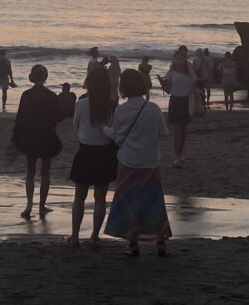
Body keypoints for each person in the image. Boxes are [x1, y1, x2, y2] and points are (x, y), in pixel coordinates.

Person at [104, 68, 171, 257]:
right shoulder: (153, 108)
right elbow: (164, 132)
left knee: (130, 203)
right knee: (154, 203)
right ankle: (161, 242)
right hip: (149, 161)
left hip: (128, 161)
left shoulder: (121, 110)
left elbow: (116, 136)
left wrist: (102, 129)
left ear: (123, 87)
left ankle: (133, 243)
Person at [67, 65, 116, 248]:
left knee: (79, 196)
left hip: (86, 151)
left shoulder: (81, 104)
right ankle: (95, 235)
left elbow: (75, 126)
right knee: (100, 198)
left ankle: (75, 236)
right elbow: (112, 129)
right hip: (104, 152)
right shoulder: (110, 105)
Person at [10, 64, 62, 220]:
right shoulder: (52, 95)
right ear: (45, 77)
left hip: (30, 137)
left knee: (30, 172)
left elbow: (20, 119)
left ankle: (29, 204)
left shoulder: (26, 95)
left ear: (32, 77)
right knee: (45, 172)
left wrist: (15, 139)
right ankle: (41, 206)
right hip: (46, 136)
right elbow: (58, 117)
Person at [158, 45, 196, 168]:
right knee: (176, 132)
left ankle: (180, 154)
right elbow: (168, 90)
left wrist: (190, 69)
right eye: (176, 58)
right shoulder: (171, 72)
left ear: (184, 59)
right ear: (174, 60)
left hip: (186, 101)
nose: (178, 60)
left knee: (184, 132)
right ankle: (177, 157)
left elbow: (194, 83)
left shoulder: (189, 71)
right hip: (175, 101)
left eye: (180, 58)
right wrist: (161, 82)